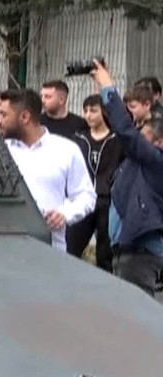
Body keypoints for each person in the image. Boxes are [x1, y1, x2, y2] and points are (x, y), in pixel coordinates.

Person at [91, 62, 163, 294]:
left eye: (144, 138)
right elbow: (121, 126)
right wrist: (100, 88)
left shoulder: (155, 161)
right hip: (126, 252)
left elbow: (127, 132)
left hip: (139, 254)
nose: (137, 140)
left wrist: (108, 88)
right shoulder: (140, 161)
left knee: (139, 320)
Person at [0, 88, 96, 252]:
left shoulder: (66, 150)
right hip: (4, 248)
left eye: (3, 115)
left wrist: (65, 213)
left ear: (25, 117)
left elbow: (86, 196)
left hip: (50, 250)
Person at [65, 94, 122, 272]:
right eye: (86, 111)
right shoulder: (79, 138)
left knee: (105, 250)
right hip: (84, 197)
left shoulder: (117, 139)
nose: (89, 115)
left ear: (104, 112)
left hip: (107, 199)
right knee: (71, 245)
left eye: (94, 111)